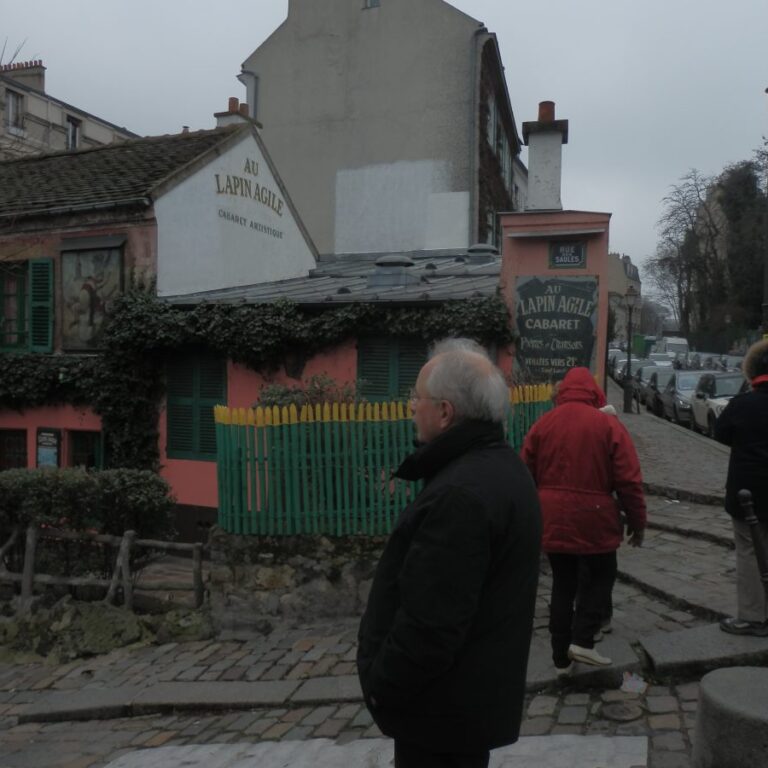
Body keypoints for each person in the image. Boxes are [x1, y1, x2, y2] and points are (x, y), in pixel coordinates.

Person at [357, 338, 541, 768]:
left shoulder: (462, 495)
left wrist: (381, 684)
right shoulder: (501, 467)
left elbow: (431, 626)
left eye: (416, 398)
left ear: (444, 412)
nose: (410, 407)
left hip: (441, 715)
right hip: (464, 707)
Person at [520, 367, 646, 674]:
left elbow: (525, 472)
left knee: (563, 581)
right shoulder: (607, 425)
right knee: (603, 573)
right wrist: (637, 521)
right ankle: (583, 639)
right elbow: (628, 479)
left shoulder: (543, 424)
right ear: (593, 392)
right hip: (594, 516)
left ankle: (560, 654)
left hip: (551, 516)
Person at [715, 338, 768, 636]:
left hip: (746, 492)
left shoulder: (742, 404)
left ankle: (752, 615)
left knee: (749, 551)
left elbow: (720, 433)